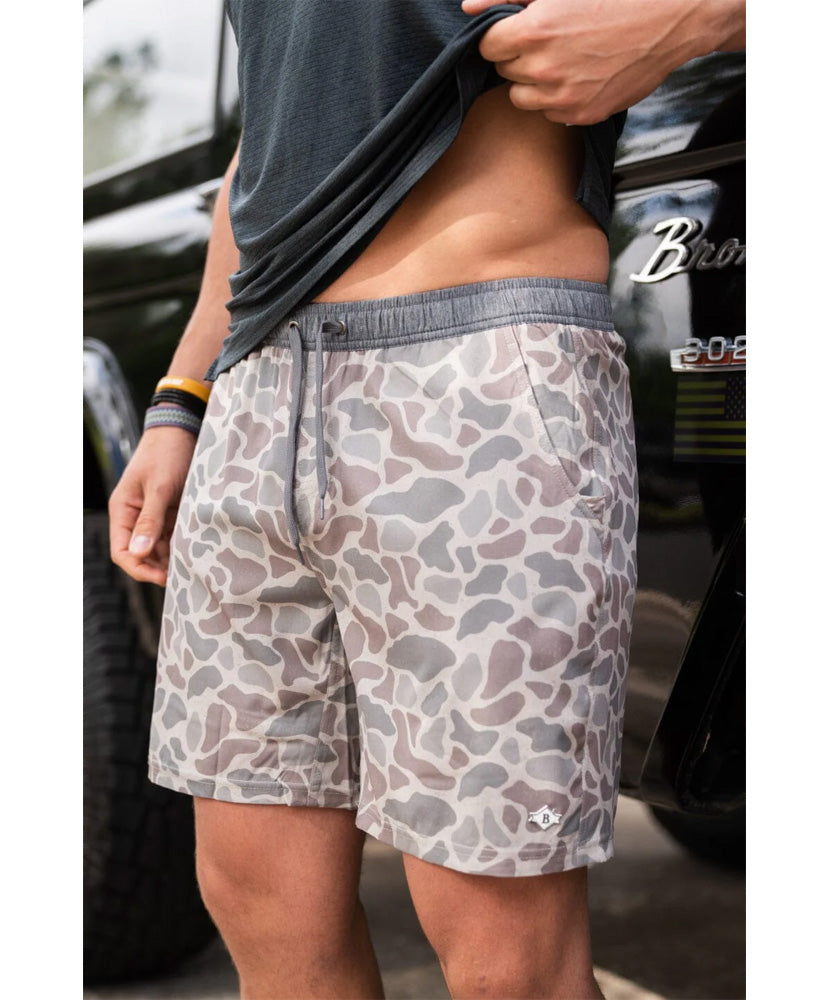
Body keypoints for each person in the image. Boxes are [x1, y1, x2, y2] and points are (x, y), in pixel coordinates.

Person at [108, 1, 746, 998]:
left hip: (475, 371)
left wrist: (690, 18)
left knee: (504, 954)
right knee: (258, 898)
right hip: (254, 397)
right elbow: (268, 143)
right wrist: (181, 397)